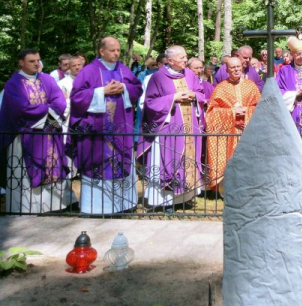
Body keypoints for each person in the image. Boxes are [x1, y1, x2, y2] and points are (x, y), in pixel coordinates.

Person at [69, 37, 143, 214]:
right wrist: (102, 91)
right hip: (98, 134)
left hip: (121, 129)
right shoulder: (89, 71)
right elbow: (76, 98)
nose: (117, 53)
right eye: (112, 50)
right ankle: (95, 207)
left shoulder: (123, 69)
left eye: (118, 50)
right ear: (102, 51)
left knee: (121, 164)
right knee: (99, 166)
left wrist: (125, 88)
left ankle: (124, 205)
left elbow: (137, 88)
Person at [0, 49, 75, 213]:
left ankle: (56, 205)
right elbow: (19, 108)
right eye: (32, 61)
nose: (36, 64)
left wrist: (46, 111)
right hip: (25, 135)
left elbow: (59, 100)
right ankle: (29, 208)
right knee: (26, 173)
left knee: (53, 167)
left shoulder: (47, 79)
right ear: (21, 62)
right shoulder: (13, 84)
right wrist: (47, 110)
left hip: (49, 133)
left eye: (38, 60)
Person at [140, 46, 206, 209]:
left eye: (185, 57)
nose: (185, 60)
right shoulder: (158, 77)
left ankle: (185, 197)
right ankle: (166, 200)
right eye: (182, 57)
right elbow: (150, 103)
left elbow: (201, 93)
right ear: (170, 61)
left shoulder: (189, 74)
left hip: (189, 127)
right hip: (169, 128)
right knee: (171, 161)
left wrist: (194, 96)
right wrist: (173, 98)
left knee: (187, 161)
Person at [204, 57, 261, 194]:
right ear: (226, 69)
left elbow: (259, 107)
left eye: (238, 67)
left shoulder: (251, 86)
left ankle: (249, 190)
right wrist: (232, 112)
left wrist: (246, 111)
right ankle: (227, 191)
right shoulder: (221, 87)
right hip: (228, 133)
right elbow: (211, 112)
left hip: (247, 132)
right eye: (233, 67)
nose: (236, 70)